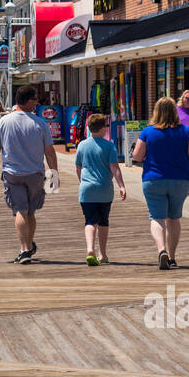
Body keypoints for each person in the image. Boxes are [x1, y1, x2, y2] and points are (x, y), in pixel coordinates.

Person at [0, 85, 59, 264]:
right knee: (31, 212)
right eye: (35, 99)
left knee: (20, 210)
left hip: (13, 173)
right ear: (28, 101)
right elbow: (49, 151)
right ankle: (27, 245)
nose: (36, 103)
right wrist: (54, 174)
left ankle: (24, 249)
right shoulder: (39, 123)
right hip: (35, 173)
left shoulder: (4, 121)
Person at [132, 96, 189, 271]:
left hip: (153, 179)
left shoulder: (147, 132)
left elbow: (137, 156)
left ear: (156, 112)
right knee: (174, 218)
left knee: (156, 217)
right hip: (180, 179)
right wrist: (188, 165)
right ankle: (172, 257)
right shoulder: (186, 131)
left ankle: (161, 249)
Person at [75, 113, 126, 266]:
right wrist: (121, 186)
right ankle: (102, 255)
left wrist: (82, 181)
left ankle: (90, 249)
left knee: (90, 221)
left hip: (87, 189)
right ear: (103, 128)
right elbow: (115, 168)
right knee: (103, 221)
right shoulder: (109, 145)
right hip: (104, 189)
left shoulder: (82, 145)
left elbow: (78, 167)